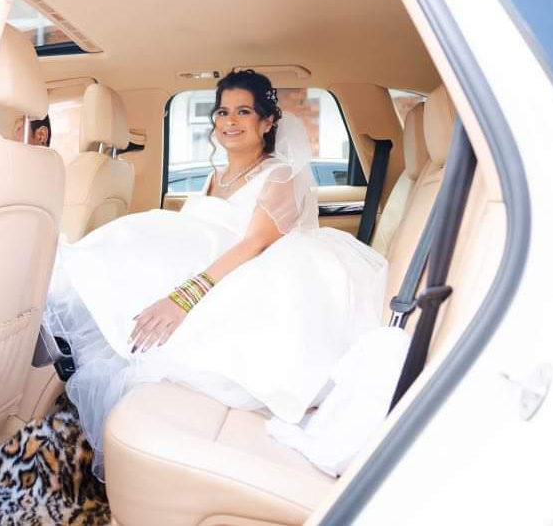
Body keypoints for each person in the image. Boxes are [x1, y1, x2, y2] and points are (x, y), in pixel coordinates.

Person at [44, 69, 388, 477]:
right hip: (209, 269)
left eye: (244, 111)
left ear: (267, 122)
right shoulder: (215, 176)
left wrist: (183, 299)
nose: (230, 121)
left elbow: (253, 244)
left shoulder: (280, 174)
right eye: (223, 112)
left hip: (243, 278)